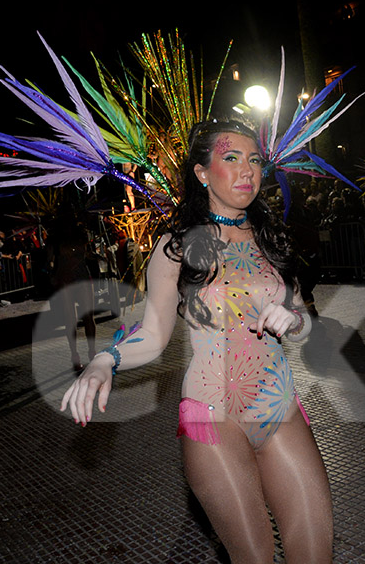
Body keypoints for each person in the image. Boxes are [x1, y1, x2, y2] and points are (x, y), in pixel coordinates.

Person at [61, 120, 333, 562]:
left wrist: (293, 317)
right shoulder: (175, 247)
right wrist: (104, 361)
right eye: (231, 159)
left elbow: (304, 323)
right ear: (202, 172)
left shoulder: (272, 239)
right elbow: (152, 335)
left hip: (279, 407)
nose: (247, 171)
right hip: (212, 415)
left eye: (255, 160)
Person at [48, 218, 97, 372]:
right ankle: (74, 355)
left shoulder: (80, 233)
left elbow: (87, 253)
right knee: (70, 318)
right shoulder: (55, 238)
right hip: (66, 279)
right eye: (64, 213)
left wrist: (92, 256)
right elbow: (49, 260)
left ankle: (92, 351)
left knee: (89, 315)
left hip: (81, 277)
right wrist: (52, 273)